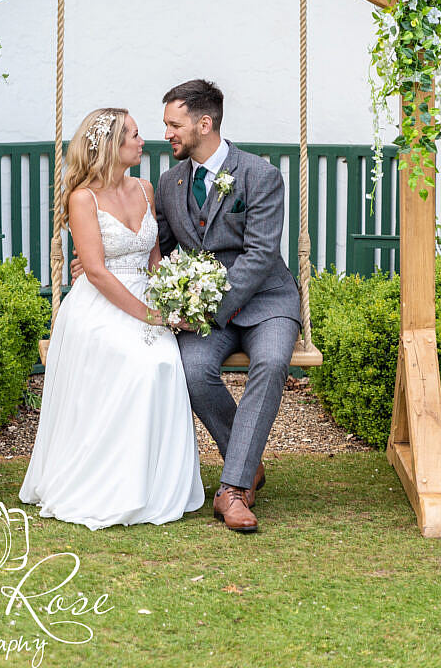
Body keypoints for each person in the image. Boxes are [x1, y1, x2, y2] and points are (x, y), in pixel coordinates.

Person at [74, 80, 302, 535]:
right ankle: (247, 460)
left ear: (205, 123)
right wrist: (99, 259)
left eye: (174, 125)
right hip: (204, 311)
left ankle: (233, 489)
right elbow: (159, 247)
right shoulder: (169, 182)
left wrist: (208, 308)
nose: (167, 134)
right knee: (191, 370)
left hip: (266, 302)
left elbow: (259, 256)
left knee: (273, 362)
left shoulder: (260, 174)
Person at [19, 107, 204, 529]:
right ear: (111, 146)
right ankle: (111, 481)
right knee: (137, 364)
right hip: (100, 304)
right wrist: (149, 315)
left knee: (165, 363)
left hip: (147, 295)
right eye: (135, 136)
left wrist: (176, 300)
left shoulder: (144, 188)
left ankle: (154, 483)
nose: (144, 142)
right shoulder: (82, 198)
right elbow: (96, 270)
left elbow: (154, 257)